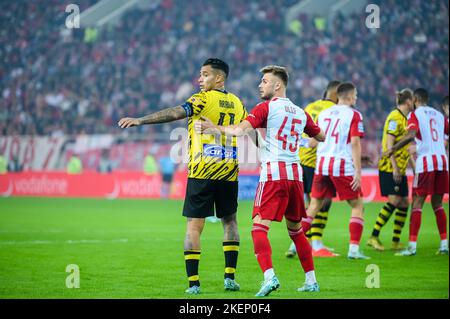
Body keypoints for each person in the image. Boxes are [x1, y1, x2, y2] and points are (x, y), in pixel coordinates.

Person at [118, 58, 247, 294]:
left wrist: (141, 120)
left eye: (205, 74)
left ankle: (194, 284)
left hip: (202, 170)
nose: (200, 79)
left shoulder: (202, 99)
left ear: (219, 78)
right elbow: (246, 131)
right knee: (230, 222)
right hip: (229, 171)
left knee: (193, 227)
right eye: (200, 74)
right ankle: (230, 278)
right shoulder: (239, 103)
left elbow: (176, 112)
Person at [196, 65, 325, 297]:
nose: (260, 85)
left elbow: (238, 131)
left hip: (273, 175)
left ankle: (269, 277)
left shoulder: (266, 108)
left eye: (264, 81)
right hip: (295, 176)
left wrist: (212, 127)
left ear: (277, 85)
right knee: (296, 231)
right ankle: (311, 281)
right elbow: (321, 136)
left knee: (258, 228)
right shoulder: (300, 112)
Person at [302, 82, 370, 259]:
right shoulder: (354, 115)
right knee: (357, 205)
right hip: (342, 165)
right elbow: (355, 143)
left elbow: (313, 141)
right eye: (355, 95)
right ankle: (354, 250)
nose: (356, 98)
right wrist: (358, 171)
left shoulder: (324, 114)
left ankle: (298, 242)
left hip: (322, 165)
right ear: (348, 96)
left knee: (314, 205)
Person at [385, 88, 449, 256]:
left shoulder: (416, 115)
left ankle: (412, 247)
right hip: (442, 162)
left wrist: (393, 148)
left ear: (414, 100)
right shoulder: (439, 115)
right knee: (438, 204)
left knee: (417, 203)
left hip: (426, 163)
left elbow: (411, 134)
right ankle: (444, 245)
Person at [286, 80, 341, 258]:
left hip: (302, 159)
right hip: (319, 161)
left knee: (312, 204)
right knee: (321, 204)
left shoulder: (311, 106)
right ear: (336, 95)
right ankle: (314, 244)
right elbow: (322, 137)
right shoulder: (334, 111)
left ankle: (301, 243)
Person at [367, 89, 416, 251]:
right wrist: (395, 167)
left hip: (400, 169)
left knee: (404, 203)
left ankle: (395, 240)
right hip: (389, 167)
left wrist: (413, 169)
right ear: (409, 101)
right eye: (413, 100)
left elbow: (406, 148)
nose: (414, 103)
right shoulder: (394, 117)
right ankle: (373, 236)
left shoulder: (405, 119)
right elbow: (389, 145)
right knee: (394, 201)